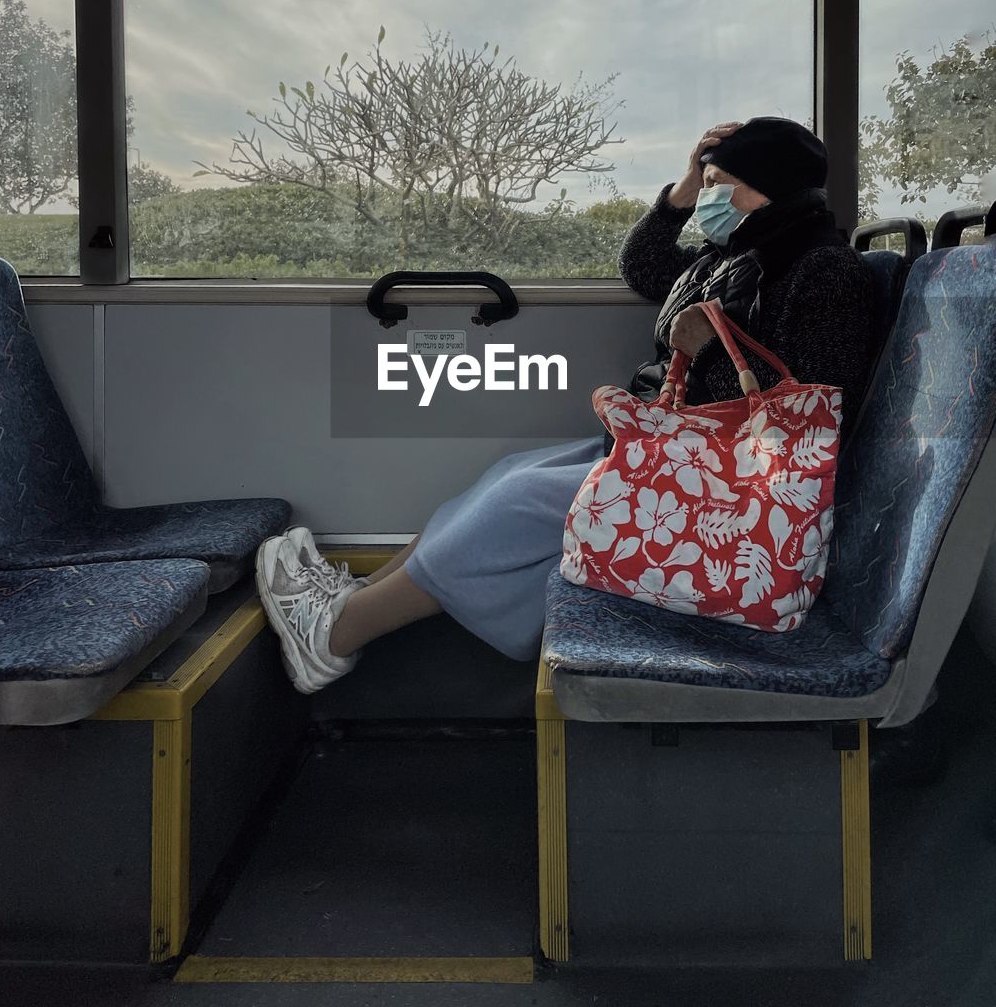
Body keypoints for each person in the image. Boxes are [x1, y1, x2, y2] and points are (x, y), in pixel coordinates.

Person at [256, 117, 875, 693]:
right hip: (678, 447)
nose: (709, 197)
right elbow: (644, 263)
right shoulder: (731, 255)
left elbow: (812, 410)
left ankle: (335, 635)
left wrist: (712, 356)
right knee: (511, 474)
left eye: (721, 185)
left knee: (515, 505)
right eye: (706, 183)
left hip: (729, 482)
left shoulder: (822, 270)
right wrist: (685, 186)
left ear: (772, 190)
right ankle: (359, 595)